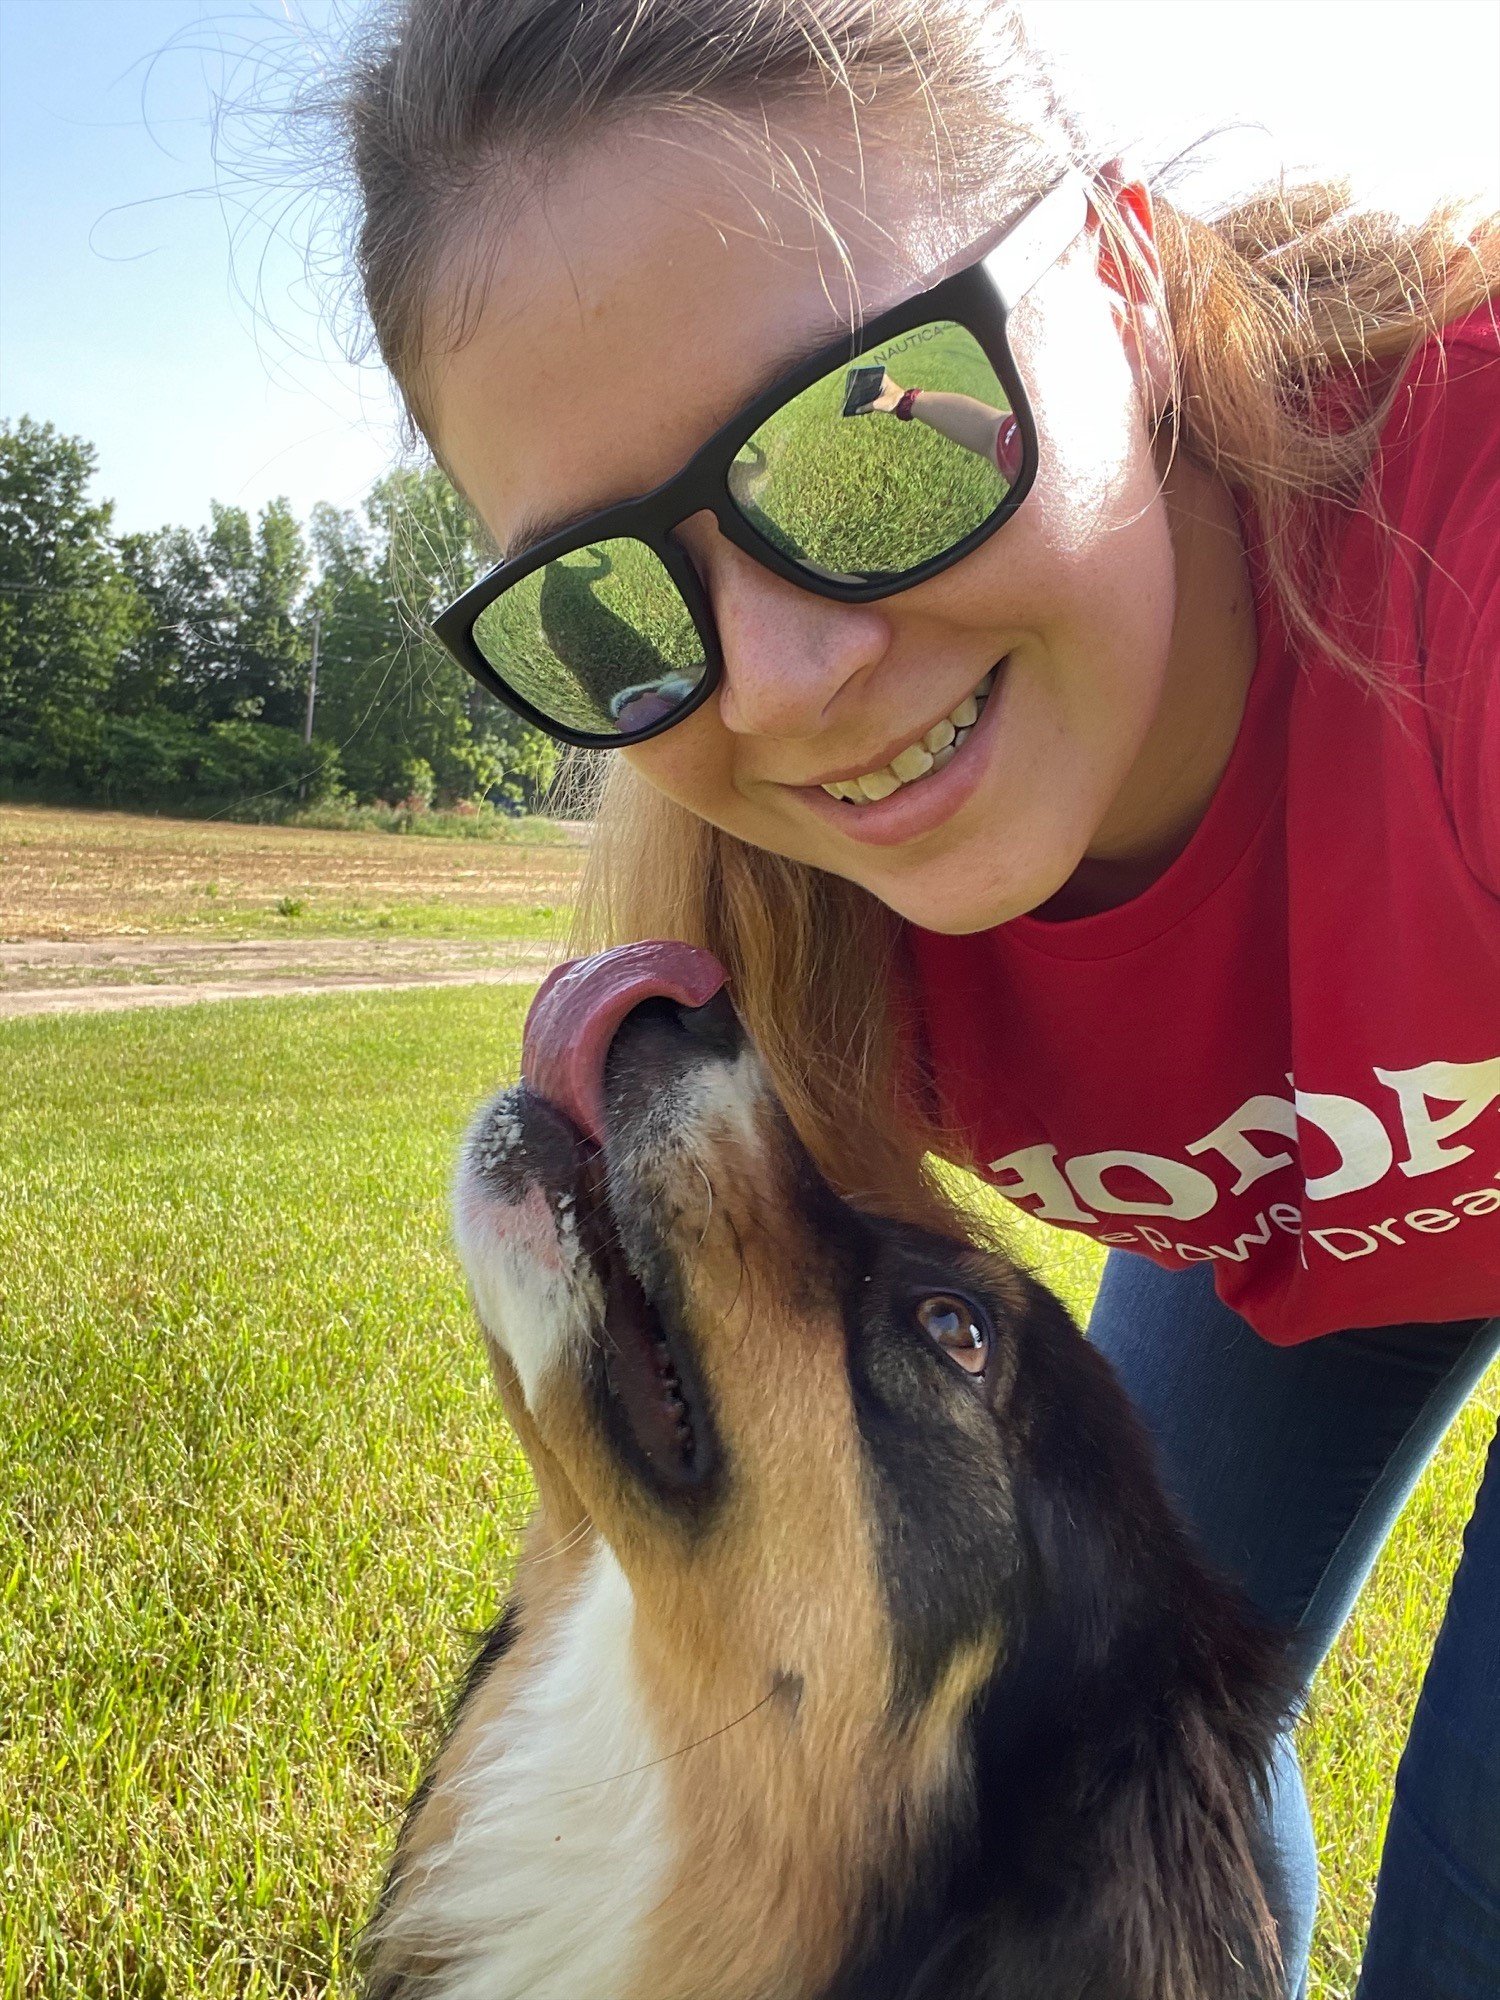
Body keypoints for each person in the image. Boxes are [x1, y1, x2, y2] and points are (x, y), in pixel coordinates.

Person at [335, 1, 1500, 1990]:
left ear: (1124, 278)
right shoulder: (787, 921)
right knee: (1118, 1705)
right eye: (606, 590)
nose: (781, 685)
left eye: (866, 439)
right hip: (1307, 1231)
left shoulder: (1460, 573)